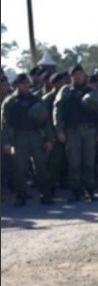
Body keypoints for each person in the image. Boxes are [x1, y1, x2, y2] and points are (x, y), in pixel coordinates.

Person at [53, 64, 98, 202]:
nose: (78, 76)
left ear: (84, 75)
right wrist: (58, 130)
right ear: (71, 77)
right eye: (75, 74)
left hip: (90, 131)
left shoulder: (92, 90)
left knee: (89, 162)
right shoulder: (65, 91)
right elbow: (57, 111)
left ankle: (90, 190)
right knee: (74, 163)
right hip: (72, 131)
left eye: (81, 74)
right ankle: (75, 191)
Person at [1, 73, 55, 206]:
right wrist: (6, 142)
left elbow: (46, 121)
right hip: (19, 137)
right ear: (17, 85)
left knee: (41, 166)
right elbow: (4, 123)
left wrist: (49, 139)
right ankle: (21, 195)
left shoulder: (36, 100)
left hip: (36, 136)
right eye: (22, 83)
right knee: (20, 168)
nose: (25, 85)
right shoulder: (10, 102)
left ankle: (46, 194)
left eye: (26, 82)